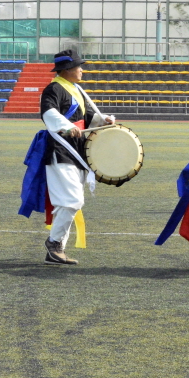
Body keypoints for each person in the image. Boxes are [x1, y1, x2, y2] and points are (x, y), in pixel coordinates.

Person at [20, 50, 115, 266]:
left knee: (67, 203)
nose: (82, 69)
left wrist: (102, 120)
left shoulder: (76, 89)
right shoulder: (54, 88)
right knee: (72, 201)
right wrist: (67, 126)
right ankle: (53, 243)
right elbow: (49, 114)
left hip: (76, 148)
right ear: (67, 70)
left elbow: (86, 117)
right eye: (78, 66)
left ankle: (56, 250)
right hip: (60, 149)